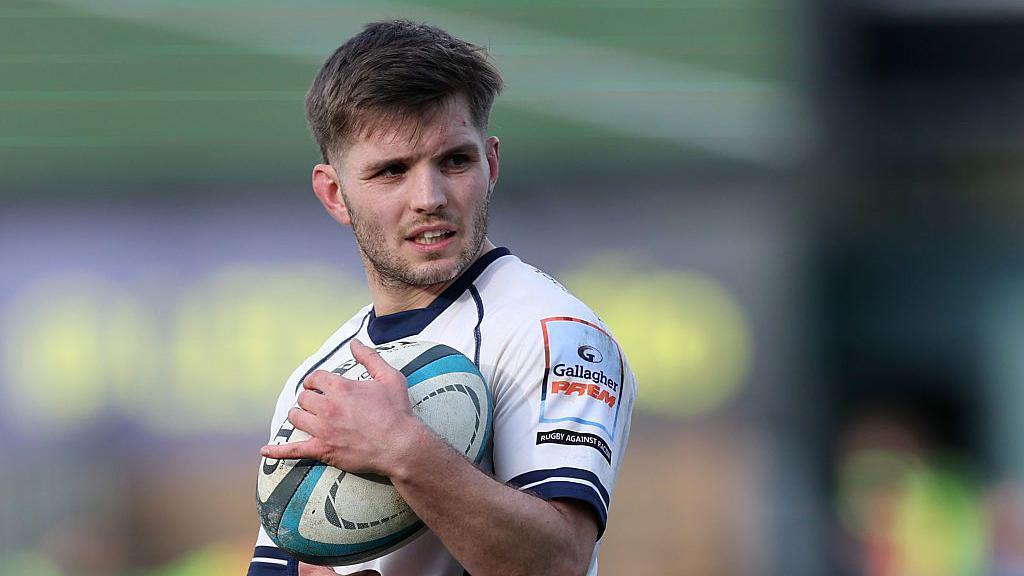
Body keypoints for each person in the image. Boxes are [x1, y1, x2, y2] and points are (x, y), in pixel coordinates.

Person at [247, 20, 636, 576]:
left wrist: (403, 450)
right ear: (334, 193)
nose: (429, 198)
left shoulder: (549, 331)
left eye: (455, 161)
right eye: (392, 172)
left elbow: (557, 562)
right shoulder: (321, 377)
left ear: (492, 163)